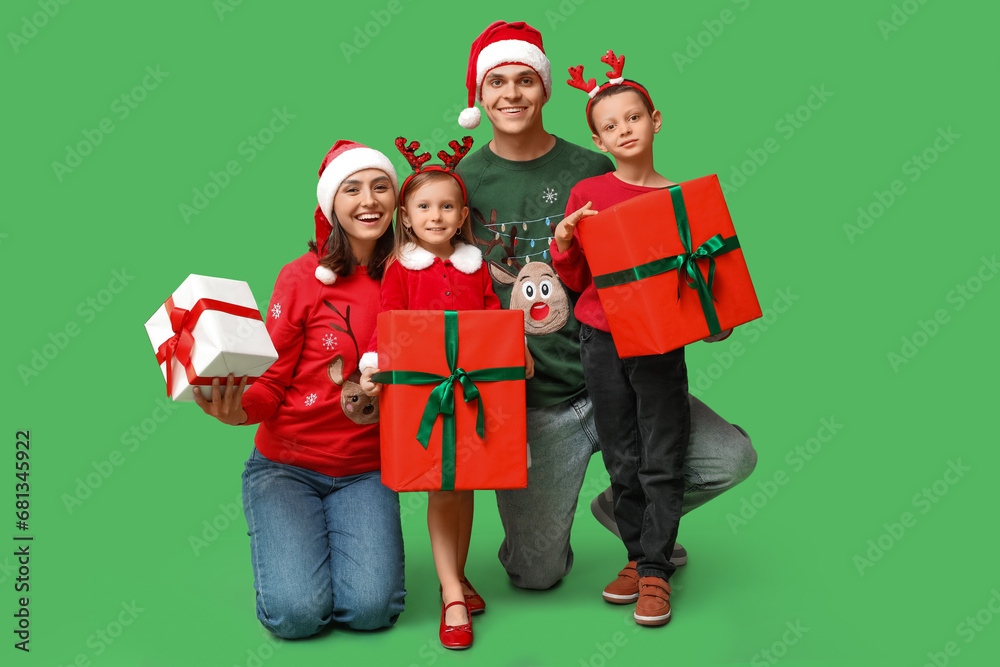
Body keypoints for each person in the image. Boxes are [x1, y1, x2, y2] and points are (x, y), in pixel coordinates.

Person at [453, 20, 758, 592]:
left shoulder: (595, 170)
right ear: (479, 95)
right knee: (533, 573)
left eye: (525, 80)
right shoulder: (462, 183)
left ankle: (640, 522)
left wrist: (710, 312)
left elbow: (660, 260)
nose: (512, 94)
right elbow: (445, 283)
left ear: (545, 89)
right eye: (497, 82)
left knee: (730, 460)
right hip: (537, 399)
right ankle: (621, 512)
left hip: (626, 363)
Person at [193, 140, 406, 639]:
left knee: (372, 611)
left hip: (367, 471)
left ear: (396, 200)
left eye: (381, 187)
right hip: (286, 468)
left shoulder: (408, 276)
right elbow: (270, 381)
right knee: (297, 617)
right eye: (352, 189)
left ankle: (336, 544)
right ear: (331, 204)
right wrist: (237, 411)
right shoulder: (299, 278)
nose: (368, 200)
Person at [552, 51, 726, 626]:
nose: (623, 130)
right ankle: (636, 556)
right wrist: (565, 245)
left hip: (658, 346)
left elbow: (702, 280)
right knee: (622, 455)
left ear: (655, 119)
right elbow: (577, 283)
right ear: (598, 140)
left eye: (633, 117)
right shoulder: (589, 195)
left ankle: (655, 571)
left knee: (662, 455)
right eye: (610, 125)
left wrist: (715, 316)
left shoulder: (681, 201)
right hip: (601, 340)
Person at [359, 137, 533, 650]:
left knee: (469, 483)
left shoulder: (475, 265)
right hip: (427, 393)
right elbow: (386, 325)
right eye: (424, 207)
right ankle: (453, 593)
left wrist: (515, 349)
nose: (436, 216)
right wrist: (372, 362)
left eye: (447, 207)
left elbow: (491, 321)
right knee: (442, 486)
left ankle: (454, 575)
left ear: (461, 217)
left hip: (475, 391)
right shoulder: (400, 268)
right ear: (407, 217)